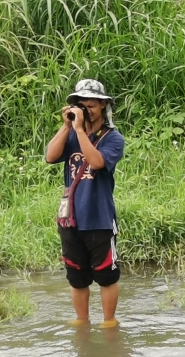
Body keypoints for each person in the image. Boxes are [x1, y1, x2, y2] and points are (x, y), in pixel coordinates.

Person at [43, 78, 125, 328]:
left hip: (99, 217)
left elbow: (98, 163)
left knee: (106, 276)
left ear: (103, 106)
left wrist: (80, 132)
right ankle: (82, 322)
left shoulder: (113, 138)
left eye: (91, 105)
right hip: (71, 218)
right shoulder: (70, 134)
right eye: (81, 105)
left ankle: (109, 323)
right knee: (76, 277)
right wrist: (67, 127)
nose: (86, 109)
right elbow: (50, 157)